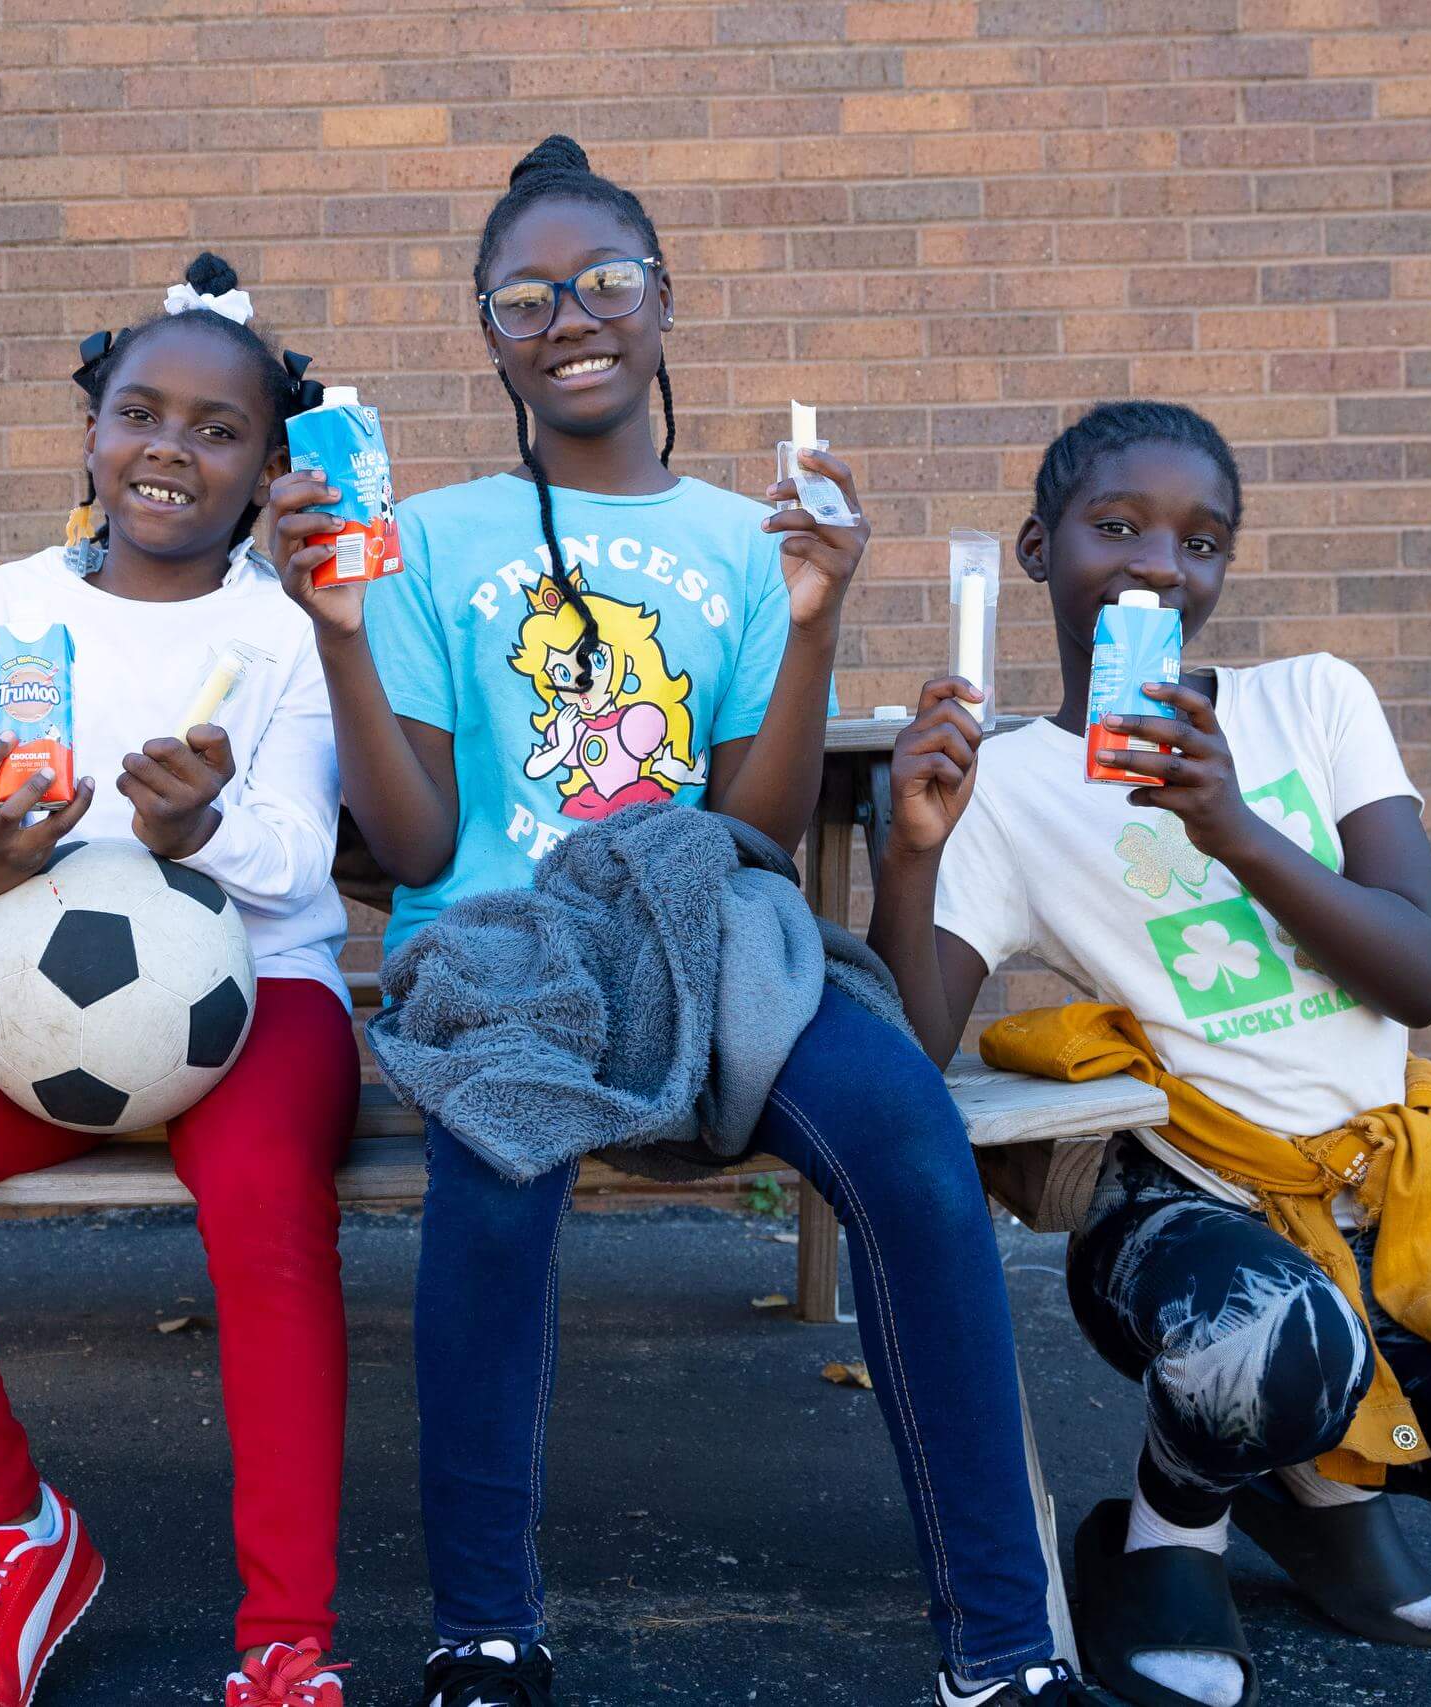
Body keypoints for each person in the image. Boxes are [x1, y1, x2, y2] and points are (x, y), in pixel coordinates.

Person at [269, 136, 1097, 1707]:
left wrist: (814, 621)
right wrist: (339, 639)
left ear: (665, 304)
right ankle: (484, 1628)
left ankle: (1003, 1642)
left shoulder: (747, 536)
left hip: (708, 938)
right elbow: (422, 839)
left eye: (606, 283)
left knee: (912, 1138)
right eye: (528, 298)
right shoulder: (426, 544)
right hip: (505, 950)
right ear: (488, 332)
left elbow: (758, 835)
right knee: (494, 1162)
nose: (571, 316)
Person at [868, 400, 1431, 1707]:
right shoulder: (1017, 780)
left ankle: (1321, 1483)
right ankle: (1170, 1532)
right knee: (1270, 1339)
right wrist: (918, 846)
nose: (1162, 562)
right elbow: (910, 1045)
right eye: (1119, 527)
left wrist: (1240, 835)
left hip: (1394, 1202)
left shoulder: (1310, 702)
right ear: (1038, 550)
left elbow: (1420, 974)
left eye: (1202, 541)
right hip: (1187, 1211)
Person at [0, 255, 361, 1707]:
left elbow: (305, 867)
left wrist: (202, 826)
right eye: (140, 413)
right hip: (55, 1002)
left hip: (260, 993)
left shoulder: (285, 627)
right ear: (92, 432)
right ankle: (13, 1536)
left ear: (262, 467)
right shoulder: (15, 602)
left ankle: (284, 1643)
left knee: (260, 1200)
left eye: (217, 429)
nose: (171, 449)